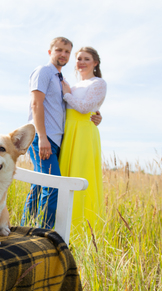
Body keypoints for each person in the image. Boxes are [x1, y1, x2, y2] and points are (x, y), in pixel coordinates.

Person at [21, 37, 101, 229]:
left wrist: (96, 115)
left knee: (39, 185)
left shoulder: (62, 81)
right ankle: (44, 233)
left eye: (67, 52)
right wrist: (42, 137)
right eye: (59, 50)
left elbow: (73, 107)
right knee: (53, 185)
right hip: (43, 138)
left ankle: (25, 226)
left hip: (57, 141)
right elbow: (36, 104)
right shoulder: (44, 72)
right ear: (51, 52)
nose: (63, 54)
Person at [60, 47, 107, 234]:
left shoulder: (98, 83)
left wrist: (66, 94)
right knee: (65, 174)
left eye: (86, 59)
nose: (81, 62)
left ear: (95, 63)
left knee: (82, 173)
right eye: (79, 58)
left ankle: (82, 228)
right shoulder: (72, 86)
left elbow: (85, 107)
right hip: (69, 132)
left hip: (84, 134)